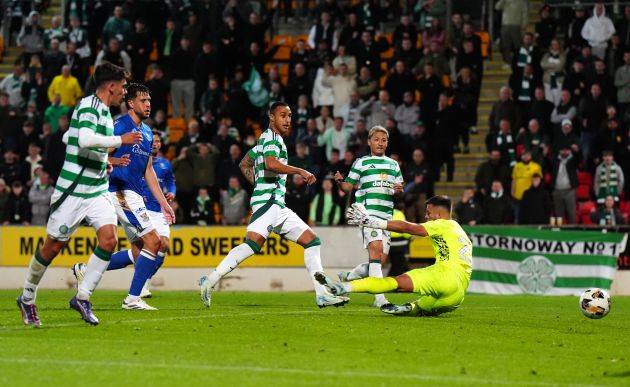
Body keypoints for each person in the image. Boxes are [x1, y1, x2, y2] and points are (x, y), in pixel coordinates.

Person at [16, 62, 142, 327]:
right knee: (52, 247)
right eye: (122, 86)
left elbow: (75, 141)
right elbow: (84, 139)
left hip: (96, 190)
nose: (124, 91)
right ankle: (27, 297)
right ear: (111, 86)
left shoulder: (106, 114)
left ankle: (83, 296)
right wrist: (121, 141)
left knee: (108, 240)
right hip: (72, 192)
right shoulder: (88, 106)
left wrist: (102, 161)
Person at [199, 102, 347, 308]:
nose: (287, 120)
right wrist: (300, 171)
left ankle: (322, 294)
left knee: (312, 242)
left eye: (289, 116)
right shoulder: (270, 138)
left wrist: (258, 183)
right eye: (283, 115)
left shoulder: (266, 141)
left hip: (277, 204)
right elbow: (270, 163)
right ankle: (211, 280)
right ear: (271, 117)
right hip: (269, 203)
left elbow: (244, 163)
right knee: (252, 245)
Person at [73, 84, 175, 310]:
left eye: (149, 100)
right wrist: (113, 162)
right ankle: (132, 299)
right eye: (143, 101)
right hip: (118, 190)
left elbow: (148, 171)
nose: (148, 105)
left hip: (135, 194)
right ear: (130, 103)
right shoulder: (118, 126)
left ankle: (85, 271)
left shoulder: (148, 133)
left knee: (140, 249)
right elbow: (94, 155)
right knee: (154, 242)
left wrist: (163, 203)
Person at [316, 195, 472, 317]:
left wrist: (371, 222)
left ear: (438, 214)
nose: (426, 216)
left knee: (394, 282)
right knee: (421, 307)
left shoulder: (442, 224)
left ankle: (343, 287)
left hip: (444, 275)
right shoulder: (460, 231)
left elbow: (408, 227)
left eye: (428, 212)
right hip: (458, 295)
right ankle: (411, 308)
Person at [333, 126, 404, 308]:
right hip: (366, 213)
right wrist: (340, 181)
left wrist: (398, 191)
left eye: (384, 140)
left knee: (380, 260)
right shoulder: (361, 163)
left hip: (386, 218)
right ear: (369, 142)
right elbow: (348, 188)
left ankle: (350, 276)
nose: (380, 143)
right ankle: (380, 299)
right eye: (377, 139)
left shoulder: (393, 164)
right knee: (376, 249)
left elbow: (398, 191)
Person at [511, 151, 542, 222]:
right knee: (517, 215)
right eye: (523, 155)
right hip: (518, 195)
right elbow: (514, 180)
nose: (525, 157)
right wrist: (512, 191)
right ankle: (517, 231)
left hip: (530, 196)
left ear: (531, 156)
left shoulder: (536, 166)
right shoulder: (516, 166)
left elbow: (538, 180)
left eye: (527, 155)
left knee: (529, 215)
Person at [496, 0, 528, 65]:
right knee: (505, 46)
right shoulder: (505, 1)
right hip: (505, 25)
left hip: (516, 25)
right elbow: (497, 7)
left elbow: (525, 13)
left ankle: (522, 62)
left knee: (518, 45)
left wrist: (524, 25)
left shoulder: (522, 2)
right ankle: (507, 62)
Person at [552, 146, 579, 224]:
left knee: (571, 214)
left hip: (569, 191)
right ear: (559, 151)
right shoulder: (555, 160)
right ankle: (559, 233)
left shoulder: (572, 160)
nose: (564, 152)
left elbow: (579, 158)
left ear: (570, 151)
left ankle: (573, 232)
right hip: (557, 191)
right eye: (562, 150)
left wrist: (576, 151)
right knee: (558, 214)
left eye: (566, 150)